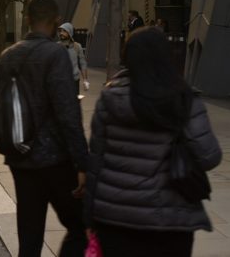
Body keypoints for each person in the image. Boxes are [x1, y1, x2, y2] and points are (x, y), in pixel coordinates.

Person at [85, 27, 221, 256]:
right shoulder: (183, 98)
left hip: (116, 217)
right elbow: (209, 156)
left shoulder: (110, 98)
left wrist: (88, 215)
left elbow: (95, 161)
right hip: (170, 219)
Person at [0, 0, 88, 256]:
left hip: (19, 156)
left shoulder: (8, 55)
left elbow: (0, 103)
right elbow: (68, 114)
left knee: (30, 235)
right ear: (56, 21)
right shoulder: (55, 54)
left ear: (27, 19)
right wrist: (82, 163)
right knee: (80, 225)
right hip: (54, 158)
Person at [57, 23, 89, 95]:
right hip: (60, 81)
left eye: (64, 31)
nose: (61, 33)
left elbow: (82, 63)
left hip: (74, 80)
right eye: (60, 31)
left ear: (70, 32)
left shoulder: (77, 47)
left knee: (74, 102)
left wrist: (85, 80)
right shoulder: (57, 46)